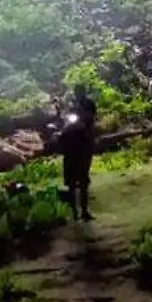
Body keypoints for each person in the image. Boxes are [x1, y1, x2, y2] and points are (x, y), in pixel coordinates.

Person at [61, 92, 98, 220]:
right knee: (71, 182)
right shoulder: (72, 107)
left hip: (83, 149)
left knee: (83, 181)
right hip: (71, 149)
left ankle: (84, 211)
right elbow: (66, 122)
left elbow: (92, 120)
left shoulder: (89, 105)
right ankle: (74, 212)